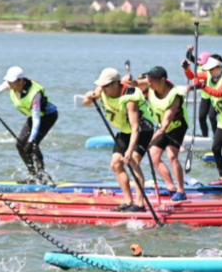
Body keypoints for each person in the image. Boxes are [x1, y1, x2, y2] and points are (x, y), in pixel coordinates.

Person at [81, 68, 155, 211]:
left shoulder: (129, 97)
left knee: (133, 161)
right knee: (116, 164)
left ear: (116, 83)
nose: (103, 88)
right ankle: (128, 201)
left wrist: (129, 151)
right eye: (101, 85)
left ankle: (140, 204)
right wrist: (89, 96)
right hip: (125, 131)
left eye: (106, 85)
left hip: (142, 130)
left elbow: (135, 127)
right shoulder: (102, 89)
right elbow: (86, 102)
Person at [0, 66, 58, 182]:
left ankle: (42, 175)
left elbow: (36, 119)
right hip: (33, 117)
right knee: (20, 144)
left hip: (47, 116)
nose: (9, 84)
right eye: (8, 81)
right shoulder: (10, 84)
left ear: (21, 80)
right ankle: (32, 175)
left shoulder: (34, 94)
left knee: (33, 144)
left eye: (12, 81)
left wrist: (31, 141)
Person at [184, 56, 222, 186]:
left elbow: (219, 92)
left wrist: (202, 86)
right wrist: (186, 69)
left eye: (212, 69)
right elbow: (193, 77)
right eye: (209, 70)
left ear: (219, 68)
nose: (209, 72)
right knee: (215, 148)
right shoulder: (209, 76)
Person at [143, 66, 189, 201]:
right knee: (154, 157)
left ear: (162, 80)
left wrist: (148, 141)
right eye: (148, 79)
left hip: (177, 126)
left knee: (171, 156)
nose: (149, 82)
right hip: (161, 127)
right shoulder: (150, 87)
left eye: (152, 80)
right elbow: (134, 83)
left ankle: (181, 191)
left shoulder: (174, 96)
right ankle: (171, 187)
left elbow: (165, 125)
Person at [184, 48, 217, 137]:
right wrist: (190, 50)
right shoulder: (199, 64)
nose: (200, 65)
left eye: (202, 63)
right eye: (200, 63)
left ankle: (216, 136)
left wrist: (191, 87)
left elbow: (202, 84)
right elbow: (189, 57)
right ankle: (205, 137)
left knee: (212, 117)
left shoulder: (211, 71)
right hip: (205, 97)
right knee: (201, 117)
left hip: (214, 97)